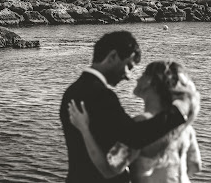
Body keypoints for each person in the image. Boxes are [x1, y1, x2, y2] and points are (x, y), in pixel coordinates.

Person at [59, 31, 197, 183]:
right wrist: (179, 110)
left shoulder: (72, 91)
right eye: (128, 66)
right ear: (112, 56)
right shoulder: (102, 96)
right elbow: (134, 137)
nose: (128, 76)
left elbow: (110, 160)